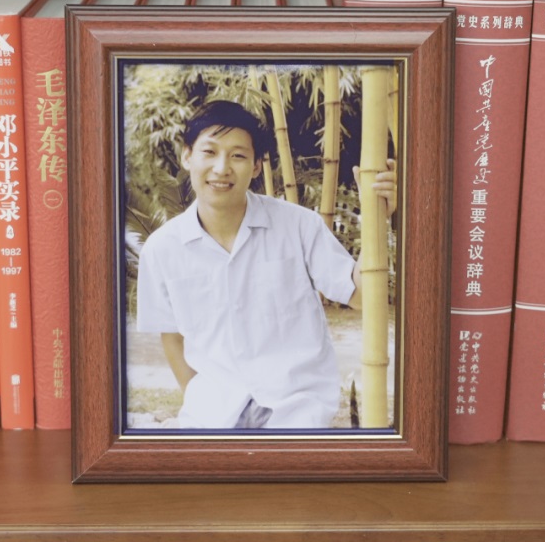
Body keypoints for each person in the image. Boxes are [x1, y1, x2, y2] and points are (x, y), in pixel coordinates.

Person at [136, 100, 396, 429]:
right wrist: (199, 399)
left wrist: (376, 219)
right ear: (187, 156)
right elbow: (172, 336)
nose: (222, 168)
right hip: (212, 415)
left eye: (238, 155)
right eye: (210, 152)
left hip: (297, 410)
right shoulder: (161, 249)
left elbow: (360, 296)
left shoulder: (299, 226)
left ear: (257, 166)